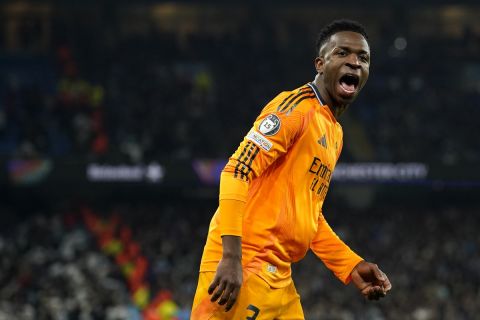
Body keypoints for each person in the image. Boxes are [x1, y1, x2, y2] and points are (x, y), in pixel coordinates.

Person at [191, 19, 392, 319]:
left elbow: (310, 216)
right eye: (343, 53)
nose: (354, 61)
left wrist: (349, 264)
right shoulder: (294, 108)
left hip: (279, 278)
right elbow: (235, 171)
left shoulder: (334, 134)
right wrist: (231, 257)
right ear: (321, 64)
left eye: (363, 57)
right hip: (243, 266)